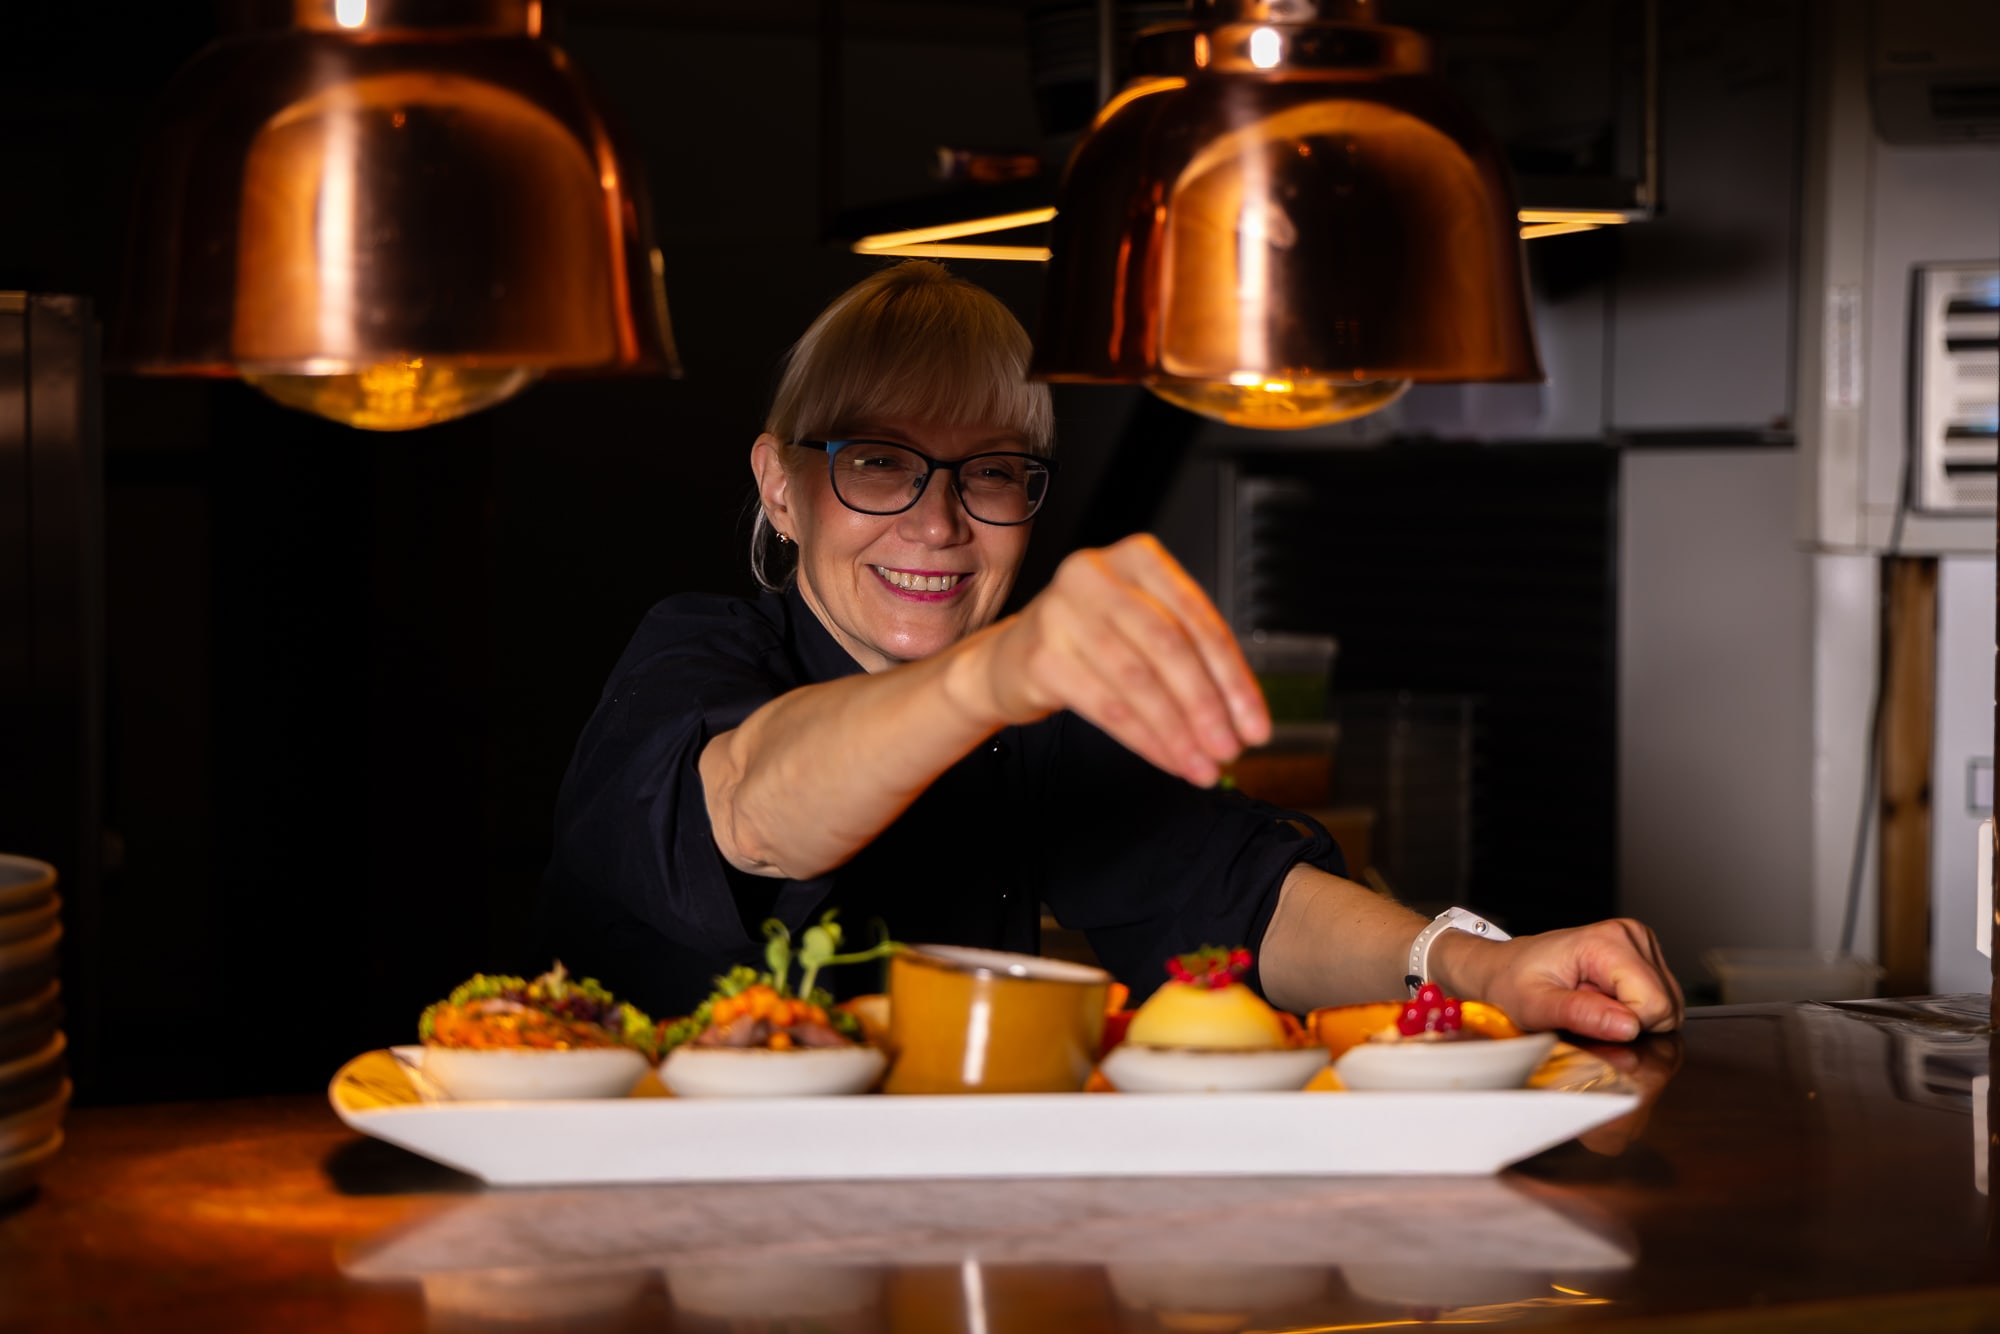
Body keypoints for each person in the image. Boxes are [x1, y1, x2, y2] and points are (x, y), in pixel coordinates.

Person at [536, 261, 1684, 1040]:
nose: (937, 523)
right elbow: (752, 807)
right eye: (877, 462)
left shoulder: (1031, 726)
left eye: (989, 472)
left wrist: (1476, 964)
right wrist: (991, 673)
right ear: (780, 488)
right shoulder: (695, 652)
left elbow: (1238, 894)